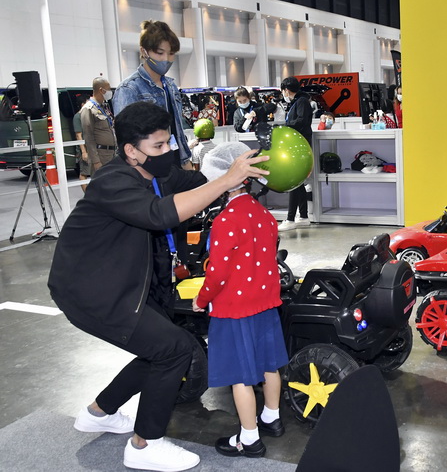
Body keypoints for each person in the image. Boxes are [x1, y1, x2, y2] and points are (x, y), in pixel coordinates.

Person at [47, 101, 270, 472]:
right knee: (174, 349)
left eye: (169, 143)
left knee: (161, 348)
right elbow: (159, 214)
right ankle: (144, 444)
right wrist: (226, 181)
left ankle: (99, 412)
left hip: (126, 284)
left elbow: (198, 182)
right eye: (158, 146)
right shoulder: (111, 182)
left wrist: (240, 166)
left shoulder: (155, 175)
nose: (168, 152)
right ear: (131, 151)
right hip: (91, 292)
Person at [193, 142, 289, 459]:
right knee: (269, 365)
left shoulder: (225, 220)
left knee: (240, 376)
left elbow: (217, 273)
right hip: (266, 304)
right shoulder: (265, 215)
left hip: (234, 309)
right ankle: (272, 417)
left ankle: (249, 439)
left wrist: (201, 299)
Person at [113, 19, 191, 169]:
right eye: (160, 53)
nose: (166, 59)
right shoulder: (129, 89)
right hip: (148, 167)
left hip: (176, 161)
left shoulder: (171, 86)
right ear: (144, 51)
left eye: (171, 53)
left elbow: (177, 129)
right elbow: (126, 140)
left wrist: (186, 162)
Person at [277, 76, 313, 232]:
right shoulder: (298, 102)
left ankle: (290, 218)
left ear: (286, 90)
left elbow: (301, 121)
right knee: (298, 183)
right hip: (298, 145)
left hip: (300, 146)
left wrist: (285, 126)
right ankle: (303, 216)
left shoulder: (301, 102)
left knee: (294, 181)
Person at [81, 77, 116, 174]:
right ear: (101, 90)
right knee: (103, 182)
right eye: (108, 89)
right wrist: (96, 161)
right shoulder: (88, 109)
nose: (110, 92)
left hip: (111, 153)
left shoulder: (103, 107)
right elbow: (88, 137)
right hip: (101, 155)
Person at [72, 94, 90, 191]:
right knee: (84, 173)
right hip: (84, 149)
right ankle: (87, 195)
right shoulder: (77, 117)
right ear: (83, 104)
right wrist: (83, 152)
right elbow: (78, 135)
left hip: (92, 148)